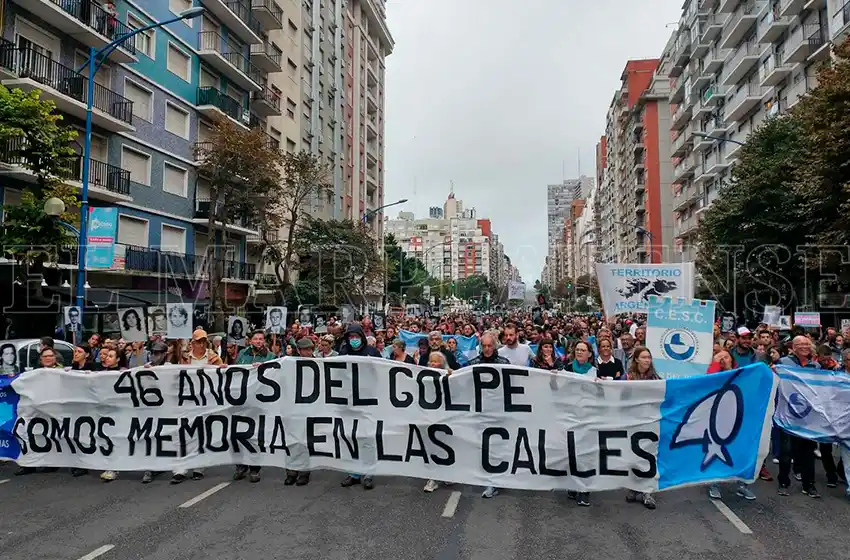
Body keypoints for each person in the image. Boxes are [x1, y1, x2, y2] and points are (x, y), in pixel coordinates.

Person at [705, 348, 758, 501]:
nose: (723, 359)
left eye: (726, 357)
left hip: (739, 418)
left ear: (732, 359)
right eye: (719, 357)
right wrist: (715, 364)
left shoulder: (741, 373)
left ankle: (742, 485)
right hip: (718, 418)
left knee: (741, 451)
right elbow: (709, 382)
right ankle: (714, 483)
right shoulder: (714, 374)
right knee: (716, 451)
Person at [776, 336, 822, 498]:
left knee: (808, 452)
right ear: (793, 347)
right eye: (800, 344)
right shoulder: (783, 363)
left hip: (807, 416)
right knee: (786, 451)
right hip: (787, 413)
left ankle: (809, 485)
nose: (804, 347)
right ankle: (783, 482)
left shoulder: (815, 365)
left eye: (807, 344)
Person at [339, 322, 382, 490]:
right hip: (348, 401)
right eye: (351, 337)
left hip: (368, 401)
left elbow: (382, 373)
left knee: (367, 437)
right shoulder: (344, 352)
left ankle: (369, 473)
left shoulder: (372, 352)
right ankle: (354, 472)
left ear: (362, 338)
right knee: (351, 437)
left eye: (356, 337)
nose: (353, 340)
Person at [468, 332, 509, 499]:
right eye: (483, 346)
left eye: (489, 345)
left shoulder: (504, 364)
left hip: (498, 412)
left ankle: (494, 481)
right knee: (482, 446)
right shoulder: (472, 364)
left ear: (495, 346)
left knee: (496, 446)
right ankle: (487, 477)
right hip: (479, 411)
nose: (486, 349)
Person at [233, 330, 276, 483]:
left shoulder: (270, 356)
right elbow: (235, 372)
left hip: (260, 401)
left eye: (261, 339)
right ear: (250, 341)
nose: (258, 341)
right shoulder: (243, 354)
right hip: (243, 400)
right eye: (256, 339)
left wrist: (264, 367)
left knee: (256, 434)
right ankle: (240, 466)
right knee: (239, 433)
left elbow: (276, 374)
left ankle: (255, 468)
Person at [622, 347, 659, 510]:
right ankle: (633, 487)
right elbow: (619, 396)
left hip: (650, 421)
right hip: (633, 421)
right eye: (644, 357)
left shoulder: (656, 378)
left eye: (649, 357)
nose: (647, 360)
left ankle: (647, 492)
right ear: (636, 359)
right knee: (634, 456)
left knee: (649, 456)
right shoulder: (628, 377)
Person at [423, 351, 452, 493]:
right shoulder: (423, 375)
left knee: (445, 445)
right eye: (431, 361)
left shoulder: (449, 375)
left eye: (436, 361)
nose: (433, 364)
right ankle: (432, 478)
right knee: (432, 446)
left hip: (444, 415)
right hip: (430, 415)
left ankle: (446, 473)